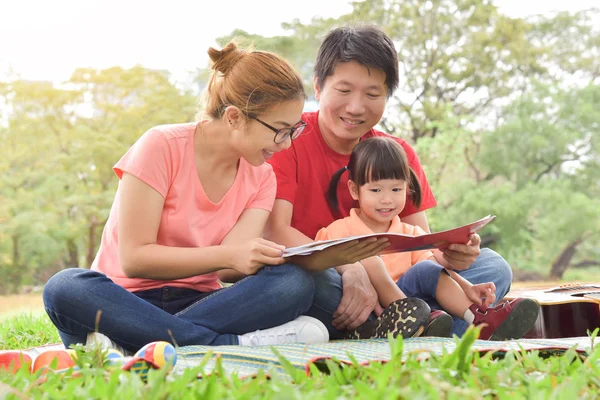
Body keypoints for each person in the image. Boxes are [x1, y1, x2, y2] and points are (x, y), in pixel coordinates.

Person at [42, 42, 336, 354]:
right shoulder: (161, 146)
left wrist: (272, 257)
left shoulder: (262, 177)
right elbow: (134, 259)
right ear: (235, 117)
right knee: (65, 288)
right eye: (280, 130)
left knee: (294, 283)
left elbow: (228, 269)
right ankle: (227, 344)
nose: (287, 144)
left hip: (202, 303)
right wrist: (230, 256)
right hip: (122, 300)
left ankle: (133, 342)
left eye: (295, 129)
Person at [265, 25, 515, 339]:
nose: (356, 107)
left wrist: (451, 253)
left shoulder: (397, 153)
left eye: (372, 94)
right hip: (333, 280)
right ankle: (432, 331)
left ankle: (403, 329)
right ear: (317, 87)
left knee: (493, 267)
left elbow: (419, 242)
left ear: (387, 96)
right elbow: (277, 232)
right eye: (343, 91)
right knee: (302, 280)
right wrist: (350, 267)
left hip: (402, 284)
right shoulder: (289, 141)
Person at [316, 137, 540, 340]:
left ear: (407, 188)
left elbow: (435, 270)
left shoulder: (410, 234)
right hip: (368, 313)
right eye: (376, 191)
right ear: (355, 190)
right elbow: (322, 268)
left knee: (426, 267)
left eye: (396, 189)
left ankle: (481, 320)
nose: (386, 199)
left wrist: (467, 286)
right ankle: (414, 322)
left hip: (415, 304)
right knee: (368, 258)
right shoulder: (338, 230)